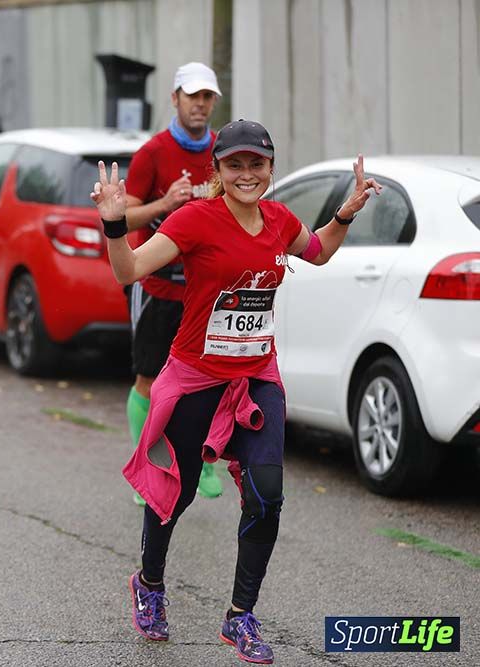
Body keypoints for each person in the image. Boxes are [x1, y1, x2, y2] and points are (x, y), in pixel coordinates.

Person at [92, 120, 381, 664]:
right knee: (173, 495)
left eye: (257, 164)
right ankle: (149, 583)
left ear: (271, 168)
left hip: (255, 380)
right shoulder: (194, 220)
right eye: (235, 165)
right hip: (197, 375)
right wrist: (113, 225)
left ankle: (240, 617)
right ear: (219, 172)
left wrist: (346, 211)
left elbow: (317, 251)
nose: (247, 174)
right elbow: (127, 271)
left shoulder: (278, 219)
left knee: (267, 494)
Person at [124, 62, 224, 503]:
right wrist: (164, 202)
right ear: (175, 99)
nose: (200, 105)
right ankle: (146, 469)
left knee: (208, 382)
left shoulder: (224, 151)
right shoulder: (153, 153)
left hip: (205, 293)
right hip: (159, 288)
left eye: (207, 97)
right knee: (150, 380)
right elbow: (122, 214)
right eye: (192, 96)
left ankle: (198, 464)